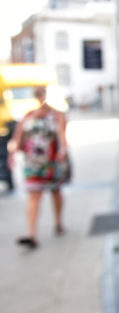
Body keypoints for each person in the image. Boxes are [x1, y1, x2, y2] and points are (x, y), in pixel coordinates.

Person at [8, 86, 68, 249]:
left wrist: (63, 150)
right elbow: (18, 137)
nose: (40, 97)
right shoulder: (28, 116)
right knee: (34, 195)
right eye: (37, 94)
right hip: (33, 163)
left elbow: (62, 135)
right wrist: (12, 153)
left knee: (55, 192)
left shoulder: (57, 115)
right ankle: (32, 234)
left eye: (42, 94)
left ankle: (58, 222)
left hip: (52, 161)